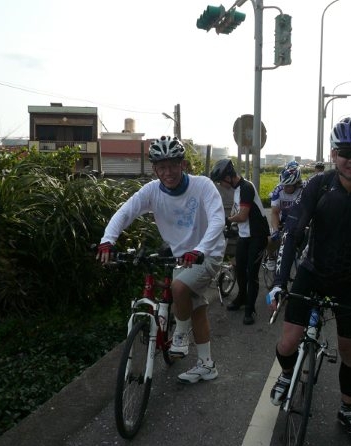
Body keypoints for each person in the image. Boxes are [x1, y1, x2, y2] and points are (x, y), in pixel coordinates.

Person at [267, 116, 351, 436]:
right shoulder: (319, 184)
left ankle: (346, 409)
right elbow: (292, 232)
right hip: (312, 272)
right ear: (333, 154)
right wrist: (279, 283)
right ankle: (287, 374)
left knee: (349, 351)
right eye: (345, 153)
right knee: (288, 342)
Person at [97, 136, 226, 384]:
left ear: (183, 164)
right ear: (155, 169)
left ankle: (180, 335)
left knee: (178, 288)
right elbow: (125, 212)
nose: (168, 172)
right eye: (162, 167)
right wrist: (107, 240)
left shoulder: (202, 186)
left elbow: (217, 220)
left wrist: (200, 249)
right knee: (196, 308)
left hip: (207, 253)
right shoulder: (151, 191)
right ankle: (207, 365)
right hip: (181, 258)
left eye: (173, 165)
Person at [210, 159, 269, 325]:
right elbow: (238, 214)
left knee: (252, 273)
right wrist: (230, 225)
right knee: (240, 269)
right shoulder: (236, 190)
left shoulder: (246, 187)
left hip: (258, 236)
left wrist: (227, 220)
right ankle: (242, 298)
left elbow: (242, 216)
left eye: (220, 181)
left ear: (228, 177)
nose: (221, 185)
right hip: (245, 235)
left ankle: (250, 309)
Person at [266, 162, 305, 270]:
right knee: (271, 240)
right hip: (282, 219)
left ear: (296, 184)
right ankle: (271, 257)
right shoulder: (278, 190)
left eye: (288, 186)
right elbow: (274, 212)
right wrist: (275, 230)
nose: (285, 188)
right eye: (284, 185)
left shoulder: (303, 189)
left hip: (298, 219)